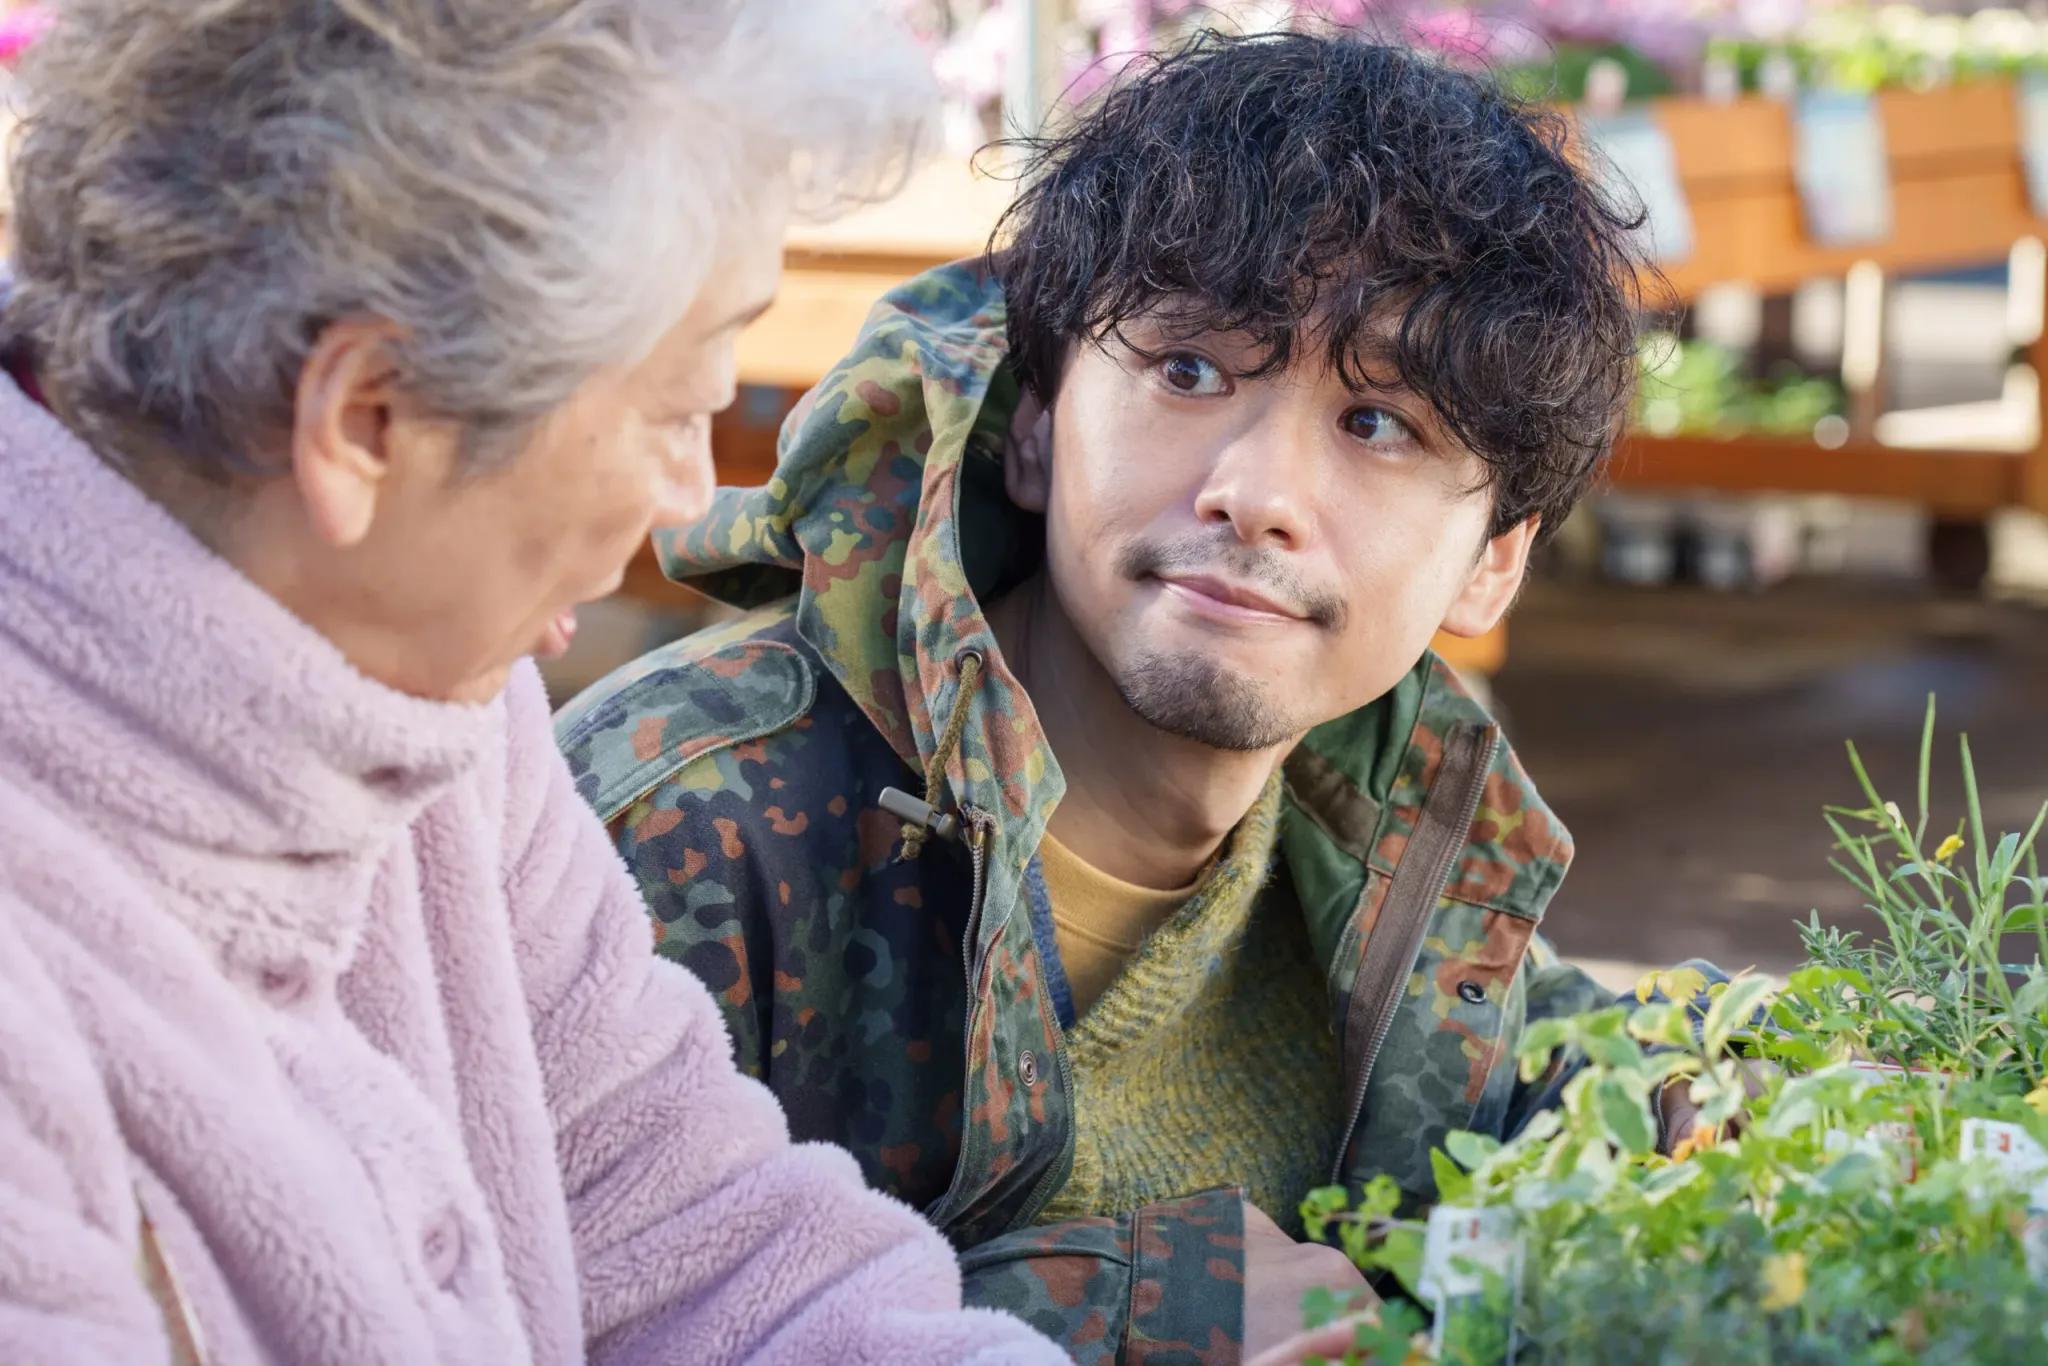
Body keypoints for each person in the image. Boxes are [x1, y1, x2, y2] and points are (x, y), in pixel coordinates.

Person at [559, 32, 1716, 1361]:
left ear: (1492, 562)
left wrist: (1732, 1087)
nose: (1259, 494)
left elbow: (1554, 1067)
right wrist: (1128, 1318)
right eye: (1189, 371)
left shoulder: (1390, 835)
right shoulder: (675, 820)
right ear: (1042, 424)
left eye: (1379, 423)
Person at [0, 1, 1068, 1361]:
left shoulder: (422, 681)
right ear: (370, 420)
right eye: (681, 406)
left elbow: (698, 1229)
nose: (697, 488)